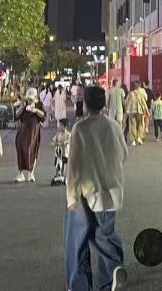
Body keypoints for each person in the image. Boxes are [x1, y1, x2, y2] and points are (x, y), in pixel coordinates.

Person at [64, 84, 128, 291]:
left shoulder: (80, 129)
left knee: (79, 240)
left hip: (88, 192)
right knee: (105, 233)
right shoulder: (114, 126)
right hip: (112, 190)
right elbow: (124, 155)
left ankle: (81, 285)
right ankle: (112, 272)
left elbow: (73, 166)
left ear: (86, 104)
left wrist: (71, 197)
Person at [14, 86, 46, 183]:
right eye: (28, 99)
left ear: (35, 97)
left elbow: (43, 117)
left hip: (33, 131)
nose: (29, 100)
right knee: (21, 150)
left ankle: (31, 173)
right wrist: (22, 106)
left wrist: (35, 110)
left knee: (32, 150)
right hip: (23, 130)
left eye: (31, 99)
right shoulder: (24, 104)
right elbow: (17, 115)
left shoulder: (39, 104)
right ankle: (20, 173)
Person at [125, 80, 149, 146]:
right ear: (140, 85)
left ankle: (133, 140)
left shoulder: (131, 93)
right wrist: (147, 111)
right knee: (140, 124)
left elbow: (127, 102)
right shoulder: (142, 92)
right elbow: (145, 100)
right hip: (140, 111)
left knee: (132, 125)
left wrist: (127, 110)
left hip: (132, 111)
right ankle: (139, 138)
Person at [52, 118, 72, 184]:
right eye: (59, 125)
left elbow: (70, 140)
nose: (59, 127)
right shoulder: (58, 134)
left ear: (65, 126)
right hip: (58, 152)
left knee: (64, 164)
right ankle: (57, 175)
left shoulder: (68, 134)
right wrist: (54, 144)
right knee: (57, 164)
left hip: (65, 153)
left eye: (61, 126)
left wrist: (65, 142)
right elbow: (54, 140)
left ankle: (63, 176)